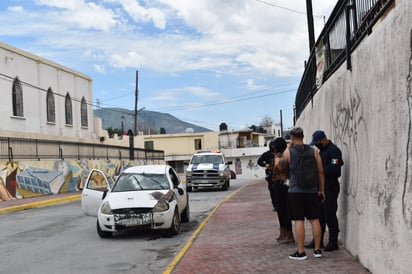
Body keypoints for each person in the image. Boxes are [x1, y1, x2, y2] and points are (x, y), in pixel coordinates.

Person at [275, 127, 325, 260]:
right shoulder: (314, 151)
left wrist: (287, 148)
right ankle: (318, 250)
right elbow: (320, 172)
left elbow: (280, 166)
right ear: (303, 136)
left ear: (292, 137)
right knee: (315, 219)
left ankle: (301, 252)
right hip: (312, 190)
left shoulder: (290, 152)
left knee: (299, 220)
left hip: (296, 191)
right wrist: (321, 190)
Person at [305, 130, 344, 252]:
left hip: (330, 187)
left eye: (317, 143)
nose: (316, 145)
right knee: (319, 215)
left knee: (329, 215)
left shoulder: (333, 151)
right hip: (321, 187)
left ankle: (333, 242)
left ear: (322, 140)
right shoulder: (322, 151)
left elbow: (335, 169)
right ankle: (318, 240)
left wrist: (319, 170)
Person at [272, 137, 294, 244]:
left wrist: (276, 157)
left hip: (282, 185)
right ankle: (284, 232)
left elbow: (278, 167)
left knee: (284, 210)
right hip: (280, 184)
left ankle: (288, 234)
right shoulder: (285, 155)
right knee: (281, 210)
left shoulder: (281, 157)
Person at [258, 141, 277, 211]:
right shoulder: (266, 154)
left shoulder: (279, 154)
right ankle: (275, 205)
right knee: (272, 190)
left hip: (279, 174)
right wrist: (265, 165)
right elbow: (259, 161)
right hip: (270, 175)